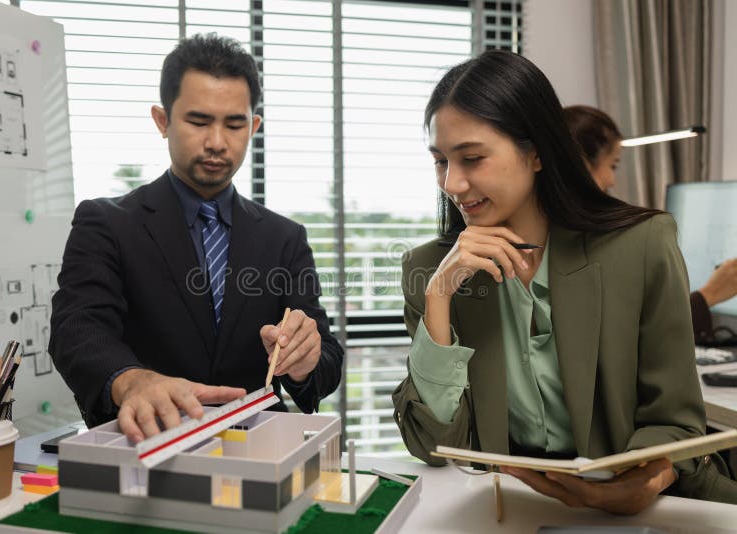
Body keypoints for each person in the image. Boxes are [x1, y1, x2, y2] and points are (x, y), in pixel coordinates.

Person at [392, 50, 737, 514]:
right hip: (514, 507)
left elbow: (674, 421)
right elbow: (432, 445)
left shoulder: (641, 246)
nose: (452, 183)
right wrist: (438, 296)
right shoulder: (432, 271)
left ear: (536, 153)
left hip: (654, 505)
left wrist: (645, 482)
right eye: (440, 162)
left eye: (472, 158)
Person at [50, 34, 343, 443]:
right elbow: (76, 328)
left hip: (261, 449)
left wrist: (305, 359)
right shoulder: (106, 222)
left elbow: (325, 358)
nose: (217, 142)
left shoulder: (284, 237)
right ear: (162, 120)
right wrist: (131, 381)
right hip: (147, 443)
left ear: (253, 126)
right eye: (199, 121)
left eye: (235, 124)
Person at [563, 105, 737, 344]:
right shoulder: (585, 245)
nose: (611, 181)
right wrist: (709, 295)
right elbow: (631, 337)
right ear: (582, 163)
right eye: (612, 165)